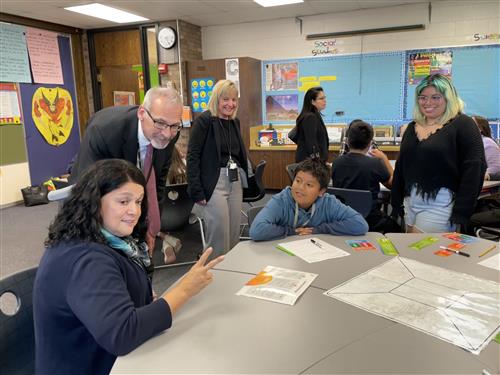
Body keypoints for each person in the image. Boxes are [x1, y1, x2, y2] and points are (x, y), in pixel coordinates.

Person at [33, 159, 224, 375]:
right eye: (123, 202)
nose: (134, 211)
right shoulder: (87, 259)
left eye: (139, 201)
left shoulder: (100, 237)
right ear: (93, 202)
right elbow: (122, 334)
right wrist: (184, 289)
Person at [69, 87, 183, 259]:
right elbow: (87, 192)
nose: (167, 134)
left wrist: (149, 228)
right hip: (93, 199)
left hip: (129, 200)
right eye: (160, 123)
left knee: (138, 262)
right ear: (141, 113)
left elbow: (156, 182)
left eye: (174, 125)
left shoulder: (169, 132)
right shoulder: (104, 131)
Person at [391, 74, 486, 233]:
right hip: (410, 203)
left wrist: (461, 213)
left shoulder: (463, 124)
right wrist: (395, 202)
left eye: (436, 97)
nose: (428, 103)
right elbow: (402, 167)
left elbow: (474, 168)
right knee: (410, 252)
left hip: (441, 205)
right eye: (423, 97)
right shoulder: (412, 127)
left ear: (448, 98)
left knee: (425, 253)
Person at [187, 80, 249, 257]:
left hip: (234, 180)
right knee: (218, 235)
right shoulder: (204, 121)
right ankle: (212, 274)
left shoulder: (234, 122)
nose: (231, 104)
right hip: (214, 182)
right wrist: (197, 190)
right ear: (217, 99)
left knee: (233, 232)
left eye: (234, 99)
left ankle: (230, 271)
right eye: (226, 99)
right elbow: (192, 157)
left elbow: (238, 154)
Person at [249, 158, 368, 241]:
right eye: (298, 181)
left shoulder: (328, 203)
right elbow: (257, 230)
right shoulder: (281, 201)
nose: (300, 188)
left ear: (321, 191)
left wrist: (319, 229)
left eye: (309, 185)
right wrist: (292, 231)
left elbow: (360, 224)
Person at [331, 120, 400, 233]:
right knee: (396, 227)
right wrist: (385, 159)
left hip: (342, 216)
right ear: (369, 144)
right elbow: (394, 185)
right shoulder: (375, 164)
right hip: (370, 219)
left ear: (347, 141)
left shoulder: (337, 162)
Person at [293, 86, 329, 163]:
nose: (325, 101)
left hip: (312, 162)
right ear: (312, 102)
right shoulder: (310, 117)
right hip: (309, 164)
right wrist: (318, 163)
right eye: (321, 99)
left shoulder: (315, 115)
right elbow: (311, 143)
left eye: (324, 98)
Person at [472, 115, 500, 180]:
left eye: (471, 124)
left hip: (485, 186)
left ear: (480, 129)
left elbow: (496, 167)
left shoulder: (487, 142)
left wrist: (476, 176)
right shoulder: (472, 143)